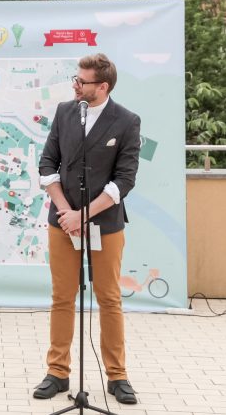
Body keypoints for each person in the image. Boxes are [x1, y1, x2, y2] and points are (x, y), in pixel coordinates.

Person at [33, 53, 141, 405]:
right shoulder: (66, 112)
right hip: (62, 222)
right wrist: (67, 213)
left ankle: (117, 376)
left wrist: (85, 216)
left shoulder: (126, 121)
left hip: (104, 225)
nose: (75, 85)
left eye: (82, 81)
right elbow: (48, 163)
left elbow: (124, 181)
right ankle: (57, 372)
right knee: (62, 297)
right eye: (76, 79)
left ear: (103, 86)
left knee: (109, 298)